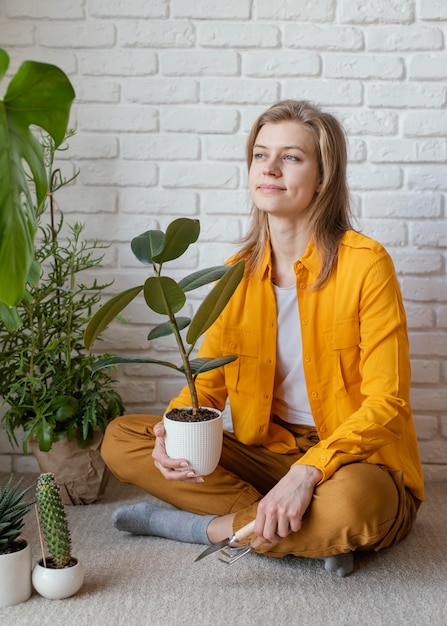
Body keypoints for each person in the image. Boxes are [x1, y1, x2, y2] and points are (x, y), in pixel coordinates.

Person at [102, 100, 424, 577]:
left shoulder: (366, 264)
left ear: (323, 176)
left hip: (356, 463)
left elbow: (387, 401)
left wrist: (309, 471)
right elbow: (204, 388)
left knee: (352, 504)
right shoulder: (235, 273)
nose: (269, 168)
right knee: (120, 439)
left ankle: (201, 527)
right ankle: (302, 532)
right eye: (260, 154)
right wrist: (170, 433)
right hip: (269, 455)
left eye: (291, 157)